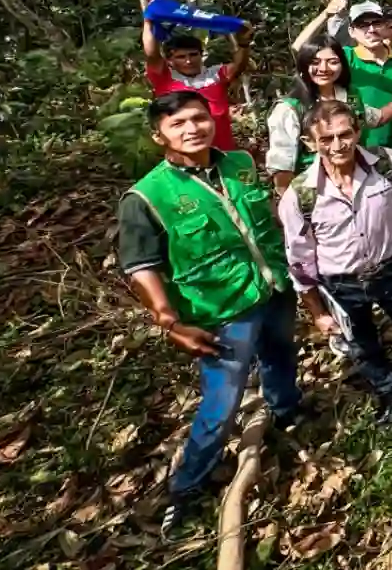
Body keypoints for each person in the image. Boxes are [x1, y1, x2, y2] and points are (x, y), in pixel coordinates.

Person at [116, 92, 301, 537]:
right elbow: (140, 267)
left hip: (272, 286)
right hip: (221, 308)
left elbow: (264, 217)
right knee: (222, 401)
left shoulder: (239, 163)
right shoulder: (146, 196)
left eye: (198, 118)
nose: (192, 129)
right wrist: (168, 320)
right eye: (178, 124)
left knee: (280, 353)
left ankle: (287, 413)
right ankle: (187, 488)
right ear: (158, 135)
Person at [282, 99, 392, 426]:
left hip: (391, 270)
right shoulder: (299, 195)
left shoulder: (387, 164)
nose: (337, 145)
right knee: (362, 347)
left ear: (357, 132)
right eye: (326, 139)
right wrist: (318, 313)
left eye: (345, 135)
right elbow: (300, 262)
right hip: (341, 286)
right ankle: (388, 394)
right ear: (310, 143)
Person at [266, 36, 392, 192]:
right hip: (318, 191)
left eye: (332, 62)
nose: (324, 68)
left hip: (359, 185)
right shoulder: (290, 108)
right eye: (315, 62)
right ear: (303, 66)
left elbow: (377, 118)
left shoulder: (350, 96)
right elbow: (282, 169)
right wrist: (295, 202)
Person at [142, 19, 252, 152]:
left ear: (201, 55)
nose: (188, 61)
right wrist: (148, 21)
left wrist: (244, 43)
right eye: (181, 57)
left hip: (223, 150)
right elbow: (152, 54)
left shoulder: (215, 74)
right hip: (185, 153)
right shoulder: (164, 77)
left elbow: (239, 66)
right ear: (169, 61)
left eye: (193, 55)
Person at [332, 2, 392, 155]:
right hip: (355, 148)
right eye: (362, 25)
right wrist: (326, 15)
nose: (371, 30)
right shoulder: (345, 57)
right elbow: (303, 50)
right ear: (351, 31)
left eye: (377, 23)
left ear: (385, 27)